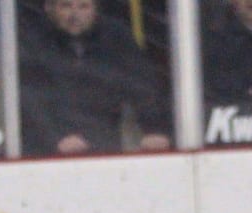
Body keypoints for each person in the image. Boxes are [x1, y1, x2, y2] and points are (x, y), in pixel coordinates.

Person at [19, 0, 172, 156]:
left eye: (83, 7)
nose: (75, 15)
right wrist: (56, 137)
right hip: (44, 151)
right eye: (66, 6)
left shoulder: (115, 38)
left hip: (103, 141)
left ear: (96, 10)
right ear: (49, 8)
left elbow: (142, 85)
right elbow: (30, 97)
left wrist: (154, 129)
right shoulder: (33, 40)